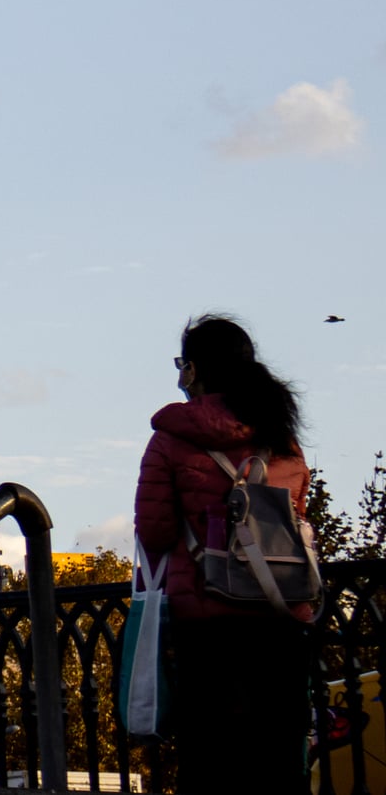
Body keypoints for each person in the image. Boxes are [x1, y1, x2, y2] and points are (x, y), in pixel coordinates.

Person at [134, 313, 313, 791]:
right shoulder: (281, 436)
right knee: (279, 757)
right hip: (281, 612)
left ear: (193, 370)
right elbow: (295, 513)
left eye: (182, 364)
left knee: (211, 757)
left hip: (207, 621)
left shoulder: (171, 438)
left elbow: (153, 532)